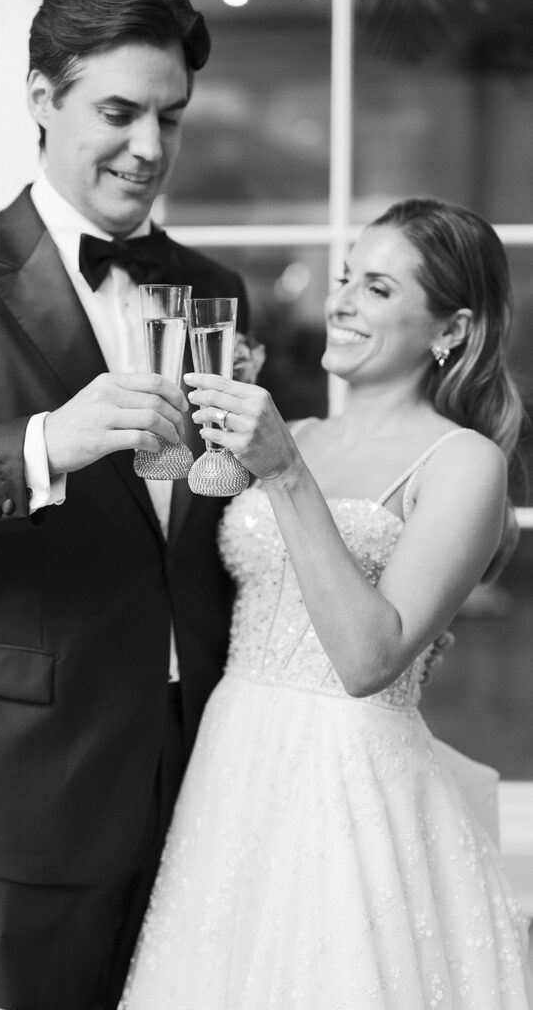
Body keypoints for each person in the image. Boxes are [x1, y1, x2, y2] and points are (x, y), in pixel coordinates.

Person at [0, 0, 251, 1008]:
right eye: (118, 113)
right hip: (22, 775)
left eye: (169, 116)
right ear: (42, 97)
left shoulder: (215, 290)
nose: (148, 147)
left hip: (205, 763)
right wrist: (42, 445)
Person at [119, 197, 533, 1009]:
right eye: (344, 278)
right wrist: (188, 415)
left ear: (449, 329)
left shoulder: (464, 463)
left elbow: (369, 659)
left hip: (348, 786)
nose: (339, 301)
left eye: (376, 288)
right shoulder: (295, 431)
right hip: (233, 764)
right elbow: (181, 559)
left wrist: (281, 473)